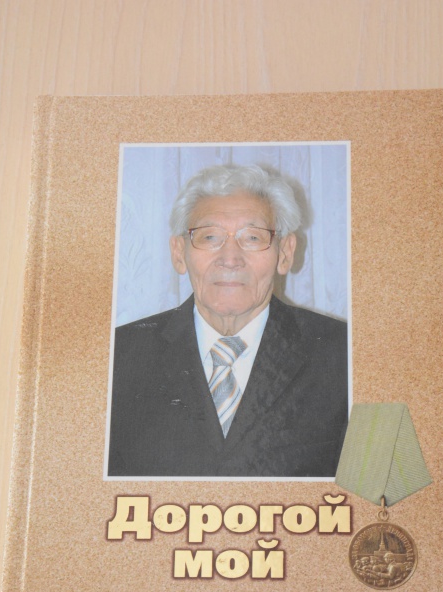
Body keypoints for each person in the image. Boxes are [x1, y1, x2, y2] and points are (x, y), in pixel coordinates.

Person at [108, 164, 348, 477]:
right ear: (179, 253)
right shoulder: (117, 356)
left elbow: (380, 496)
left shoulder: (343, 354)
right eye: (210, 237)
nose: (230, 258)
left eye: (253, 237)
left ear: (285, 253)